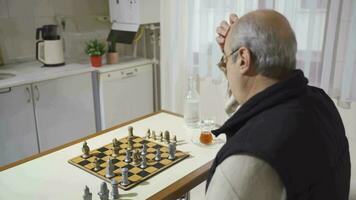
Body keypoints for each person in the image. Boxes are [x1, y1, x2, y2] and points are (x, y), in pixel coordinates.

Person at [205, 10, 351, 200]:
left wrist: (235, 52)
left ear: (243, 59)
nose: (225, 66)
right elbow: (250, 105)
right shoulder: (321, 102)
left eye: (225, 59)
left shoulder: (243, 163)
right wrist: (234, 48)